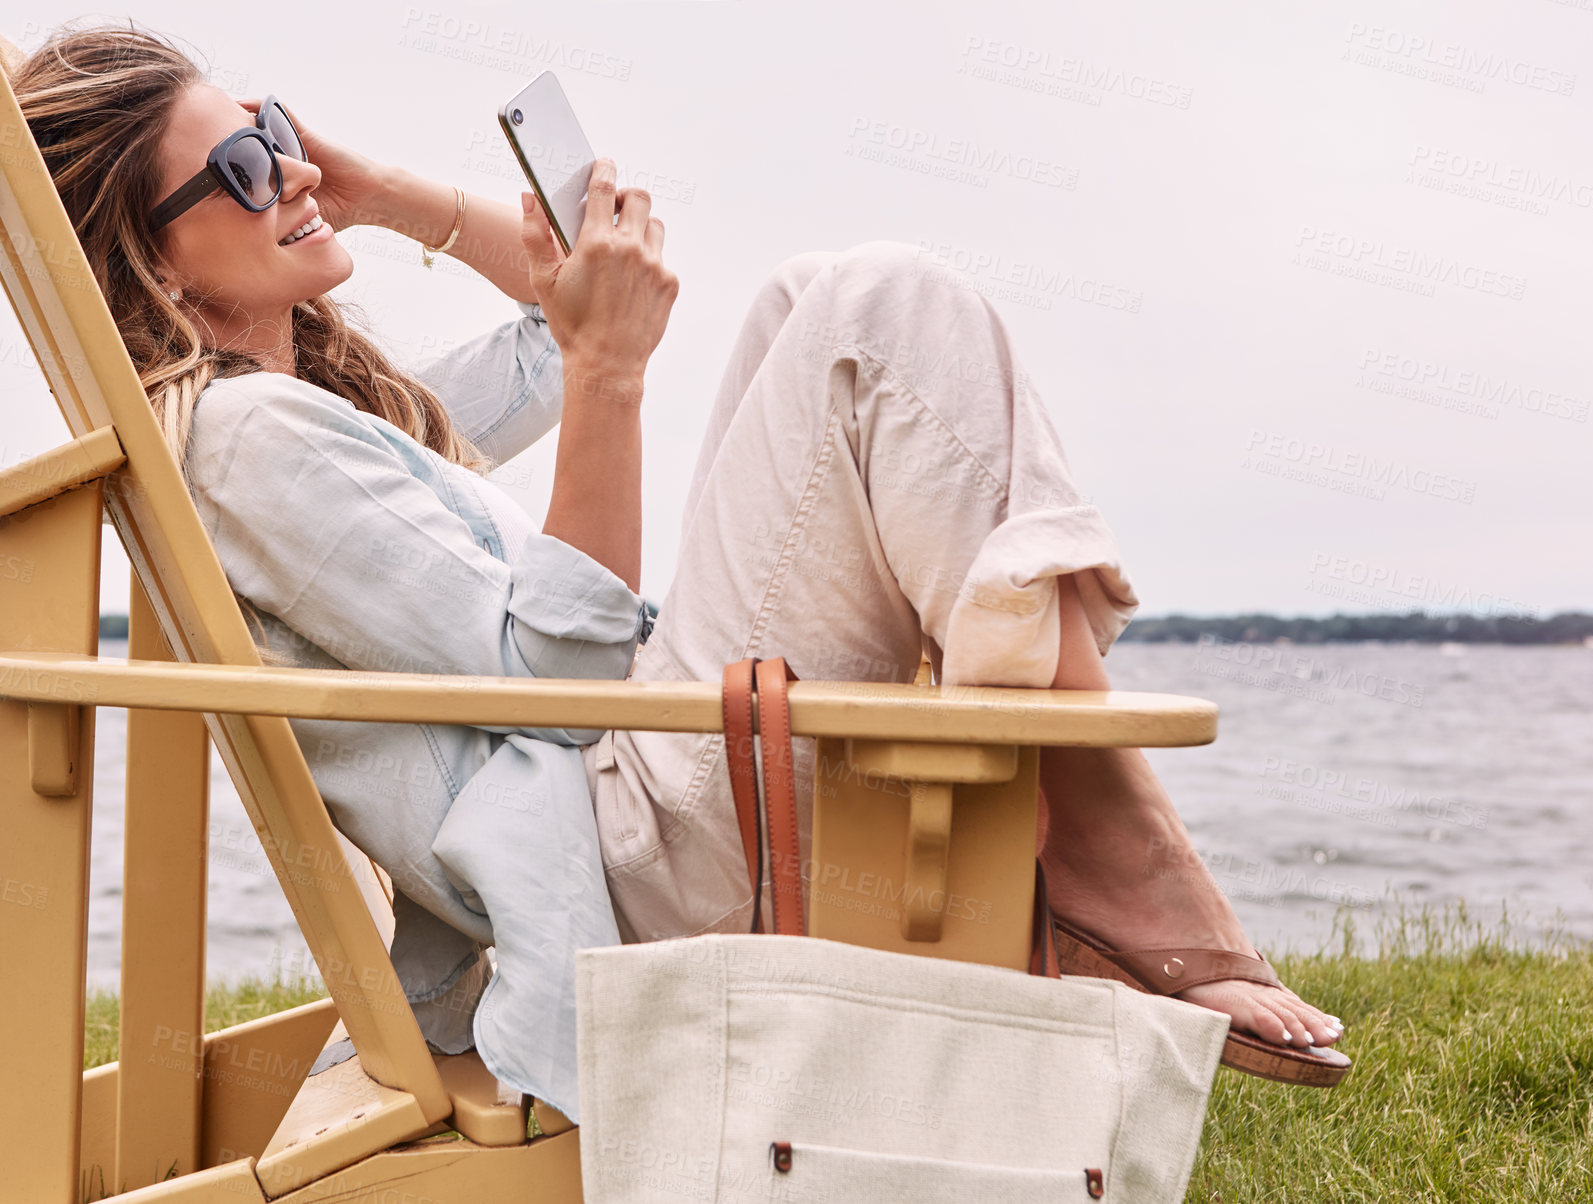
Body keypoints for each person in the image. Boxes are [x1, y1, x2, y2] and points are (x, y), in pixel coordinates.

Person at [12, 23, 1349, 1114]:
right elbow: (559, 672)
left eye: (279, 134)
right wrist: (613, 371)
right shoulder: (257, 447)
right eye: (246, 171)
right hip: (623, 863)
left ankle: (1094, 859)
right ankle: (1117, 877)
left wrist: (376, 192)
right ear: (156, 267)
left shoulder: (311, 415)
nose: (289, 172)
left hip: (628, 810)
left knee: (802, 308)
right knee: (872, 310)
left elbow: (544, 336)